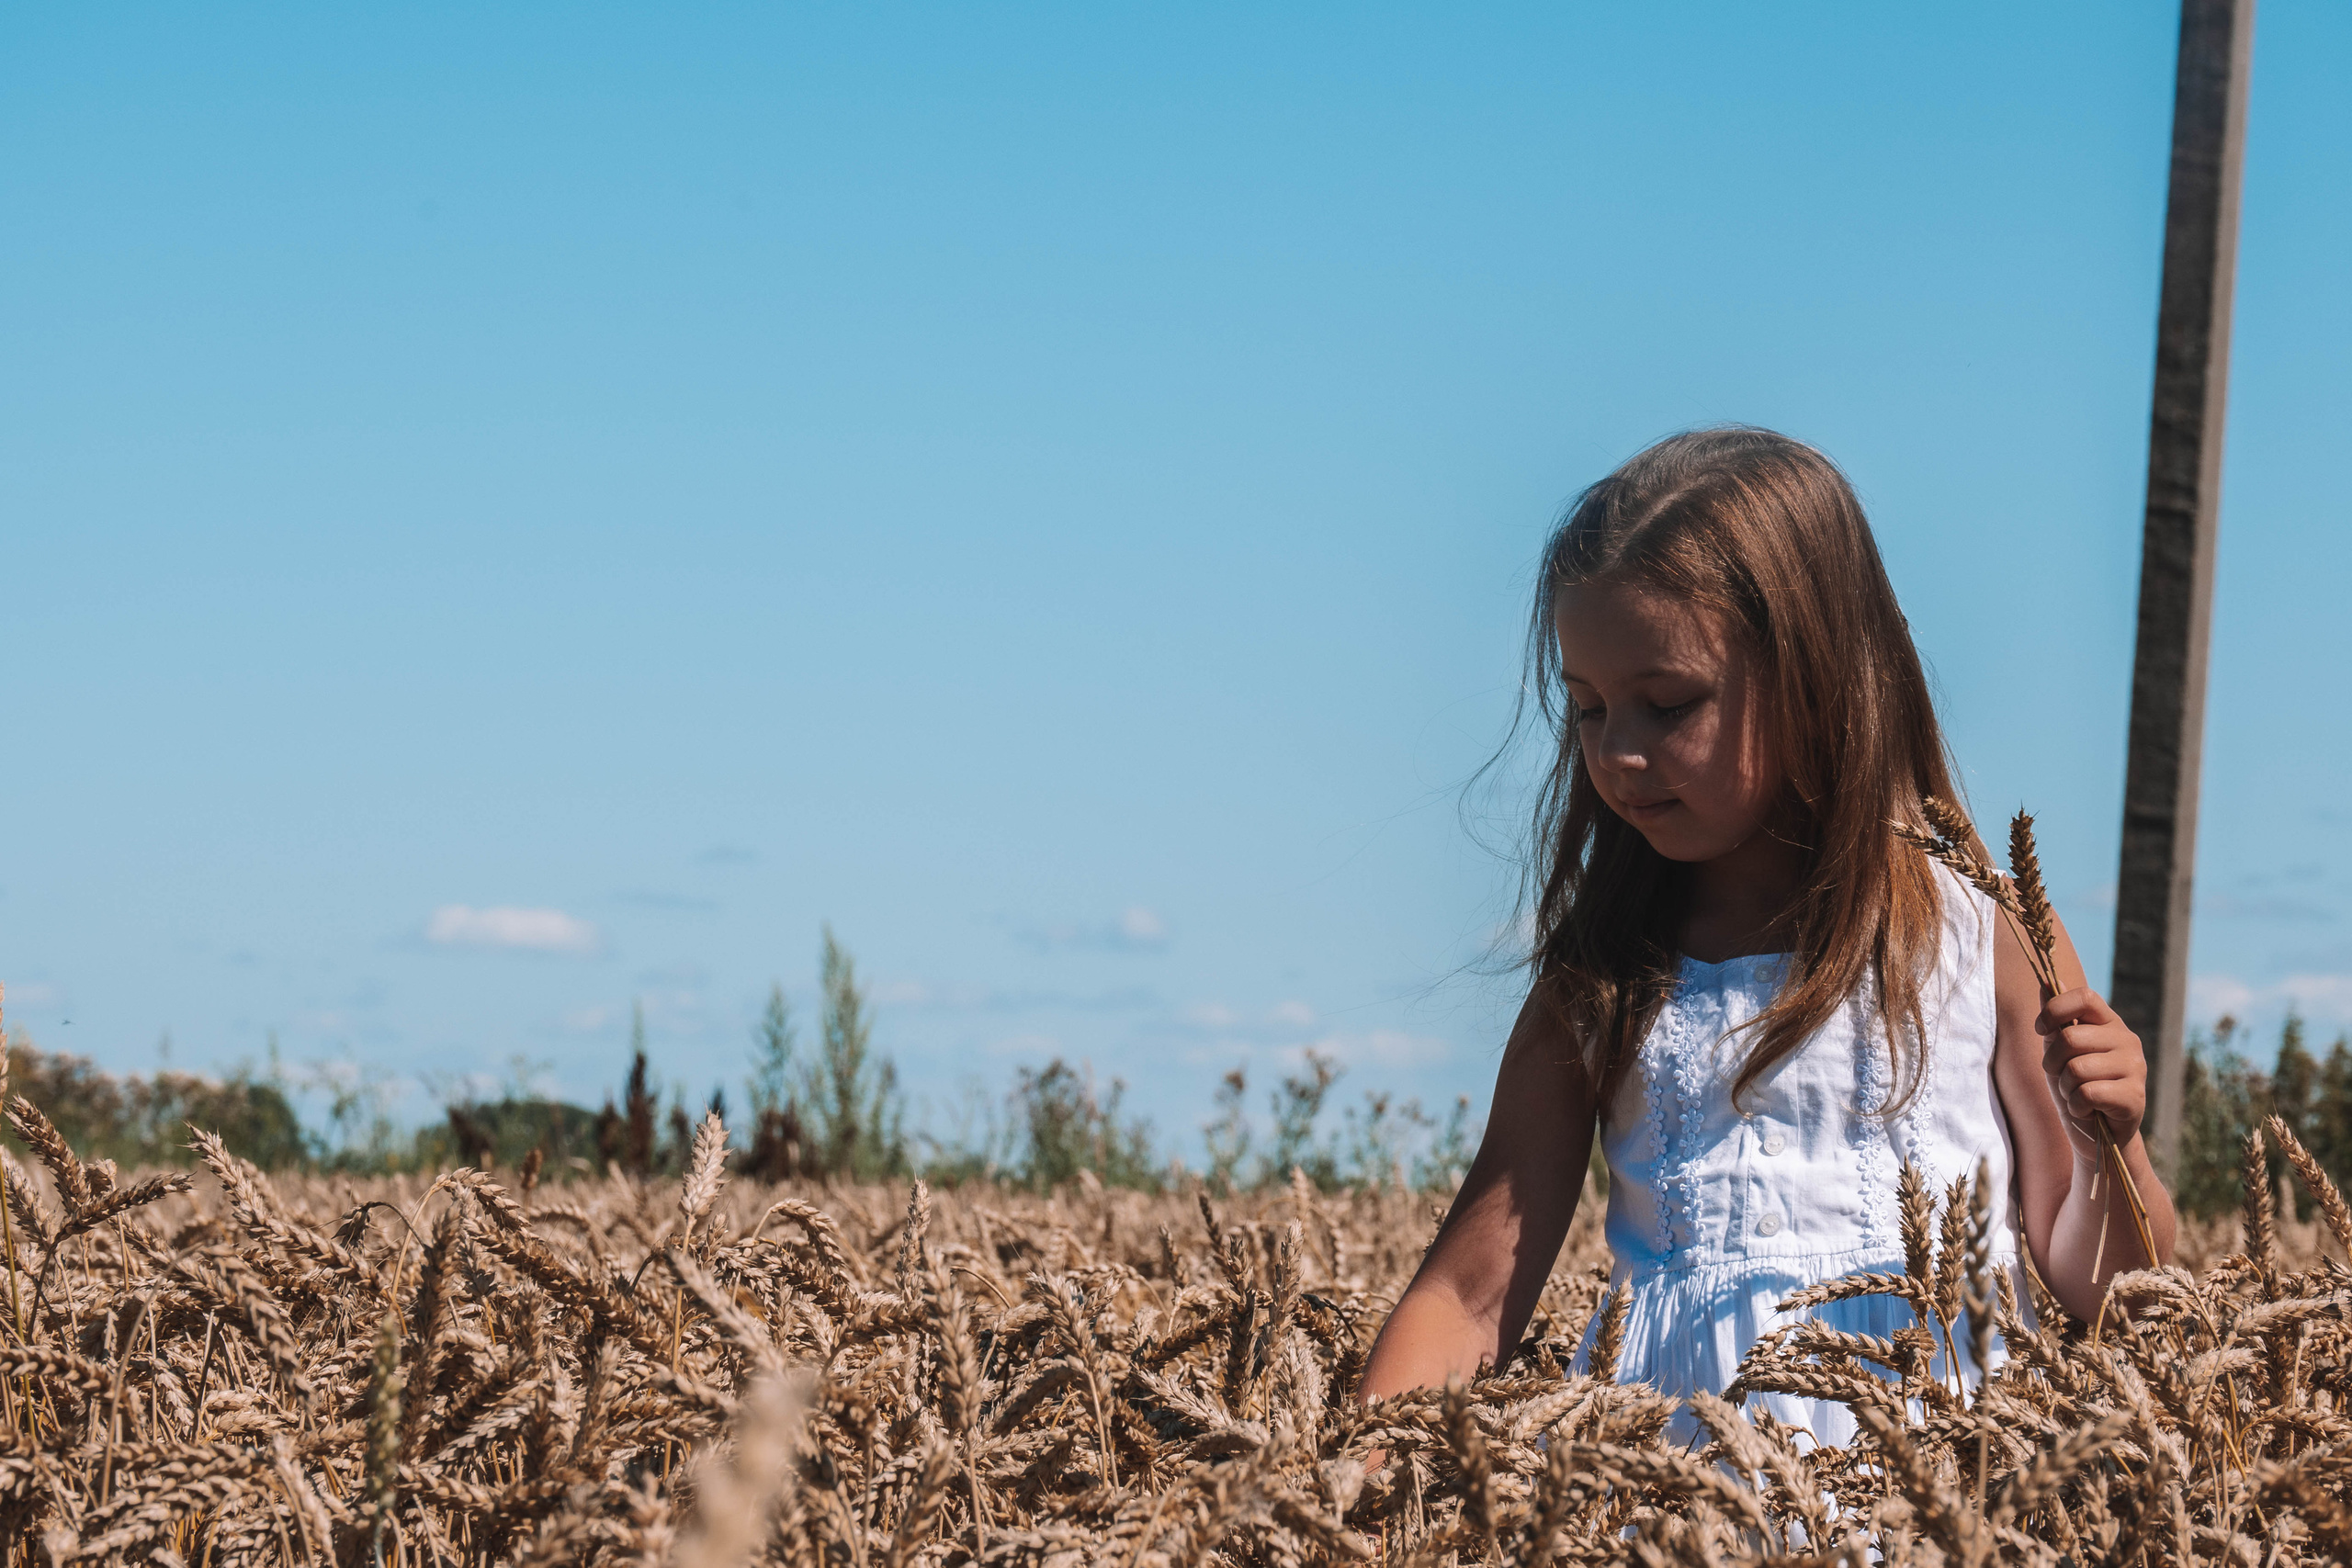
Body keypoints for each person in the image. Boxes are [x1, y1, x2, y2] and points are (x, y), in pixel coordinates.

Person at [1358, 427, 2177, 1447]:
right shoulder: (1605, 976)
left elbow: (2111, 1289)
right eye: (1588, 709)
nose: (1618, 752)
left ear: (1816, 677)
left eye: (1667, 705)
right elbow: (1468, 1297)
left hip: (1944, 1490)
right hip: (1673, 1498)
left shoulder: (1982, 930)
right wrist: (1346, 1480)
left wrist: (2112, 1146)